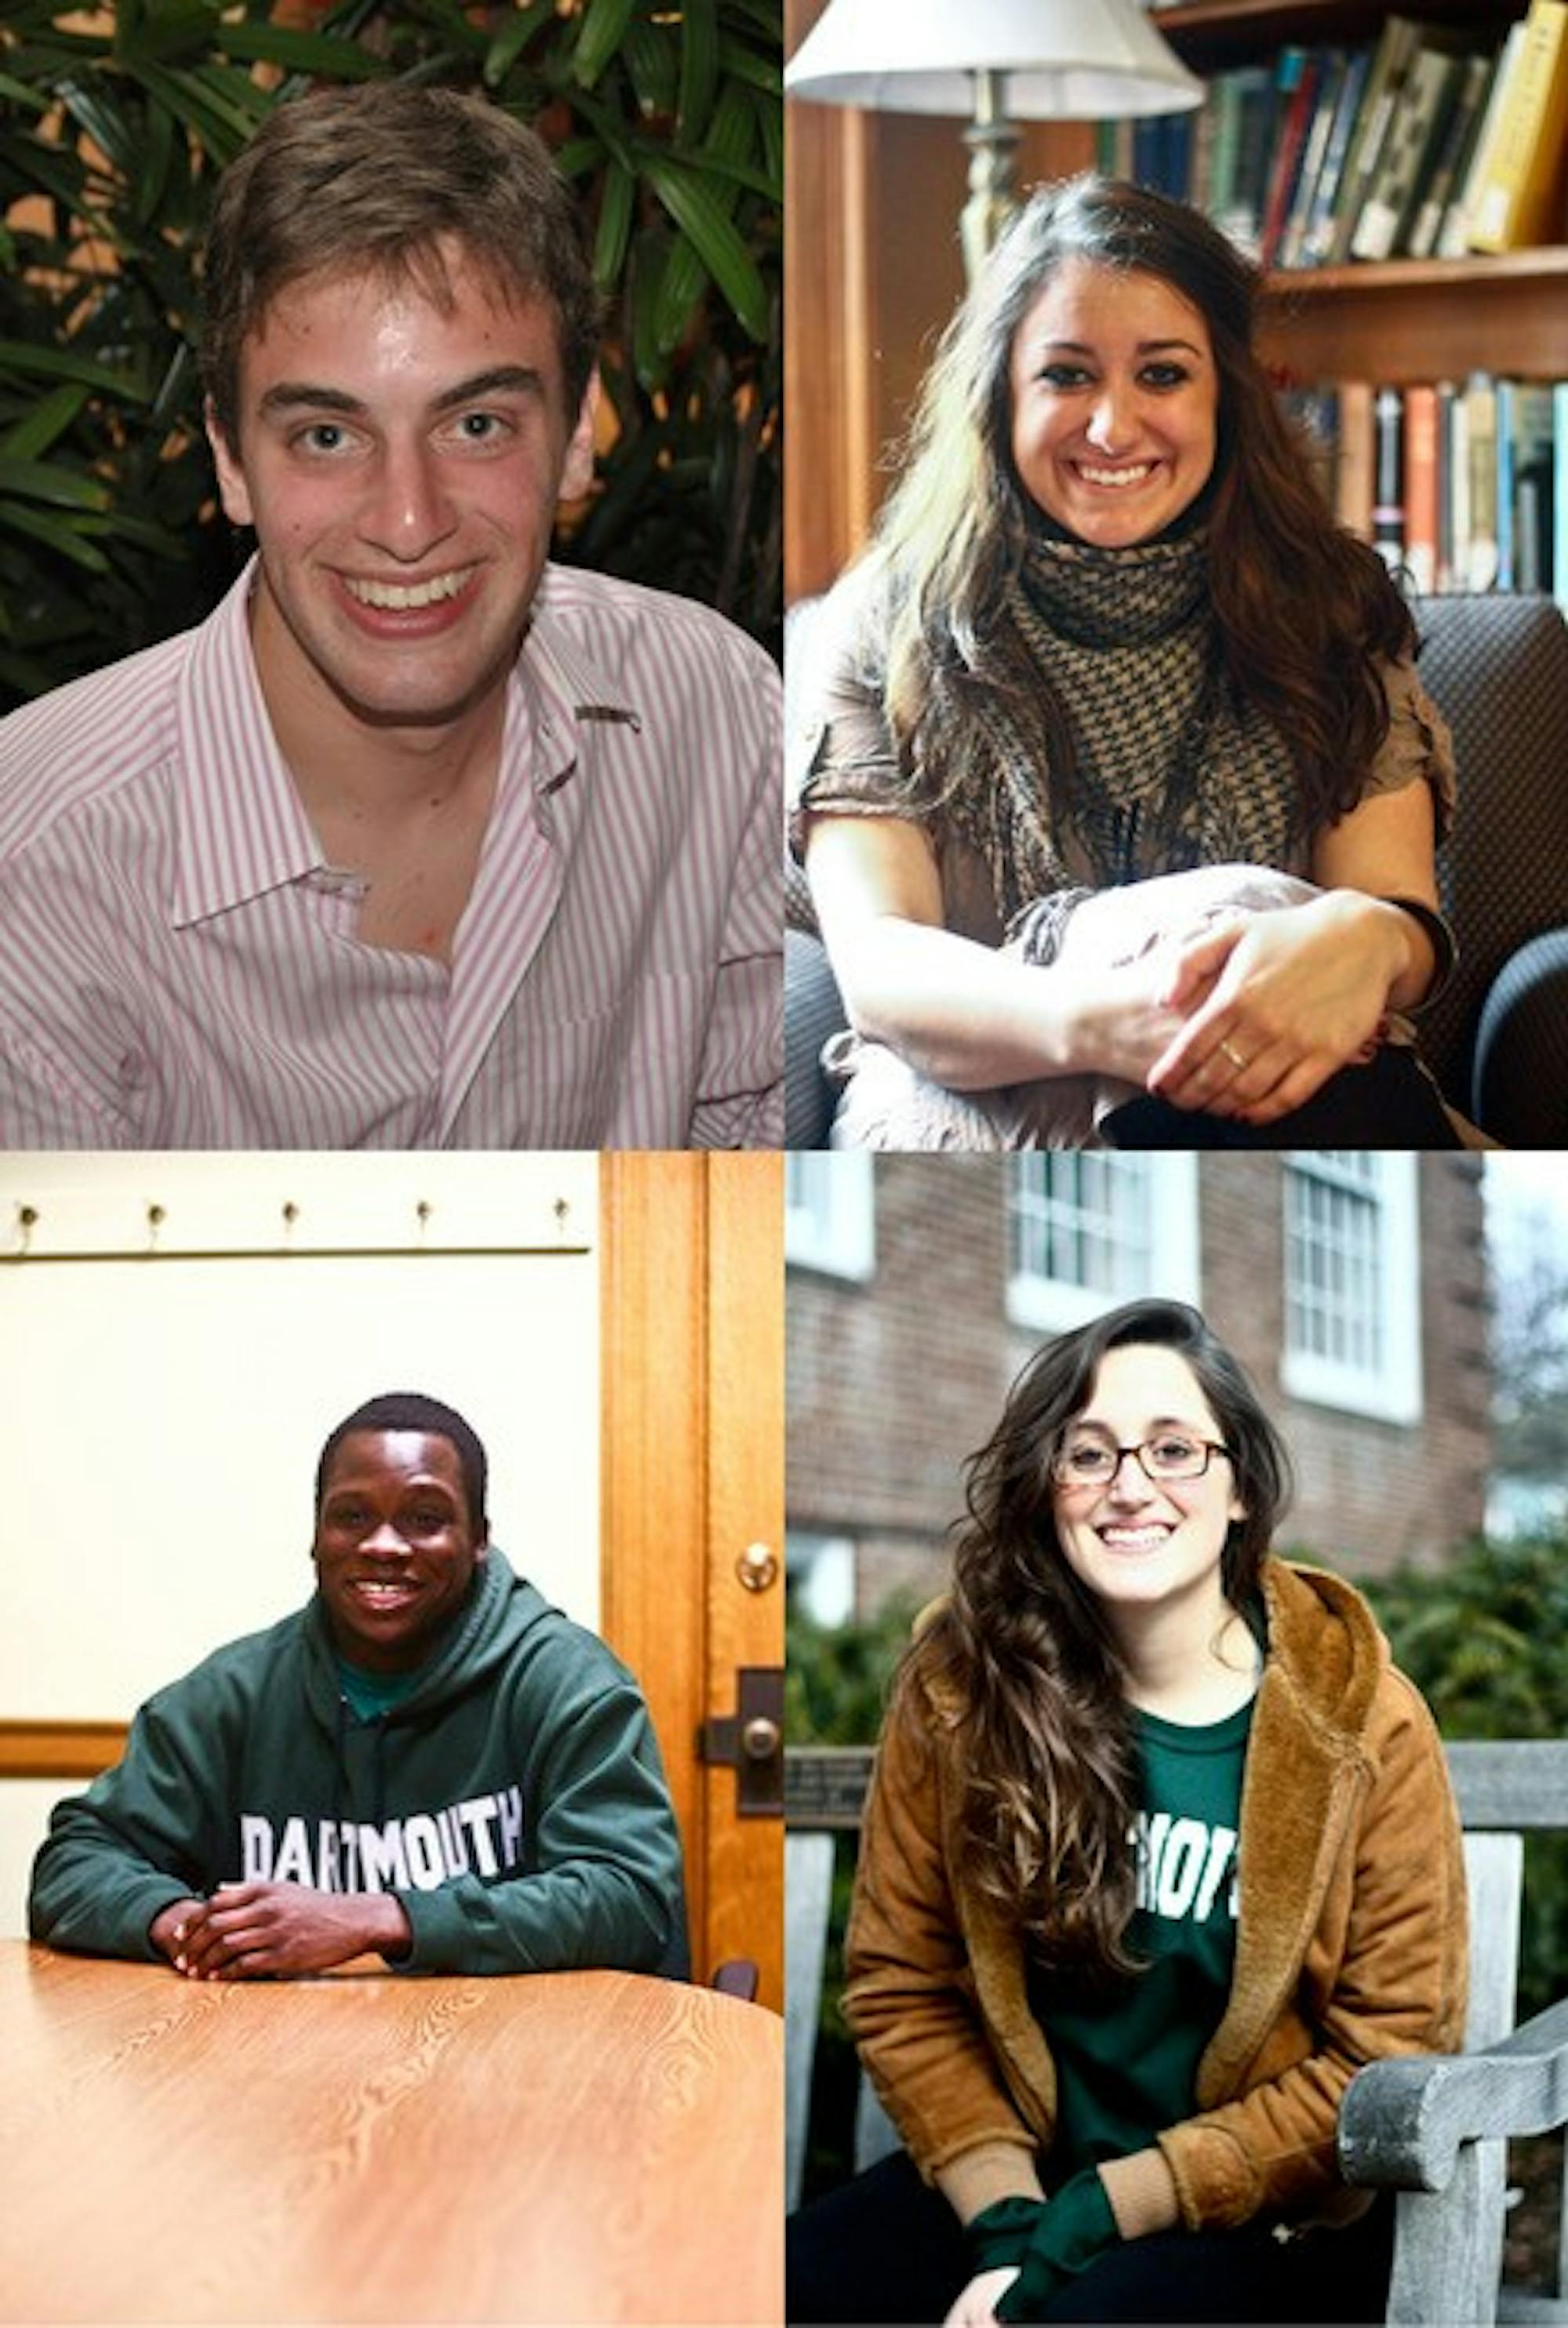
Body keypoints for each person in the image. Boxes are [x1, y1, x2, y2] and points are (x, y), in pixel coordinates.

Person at [0, 83, 780, 1149]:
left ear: (579, 433)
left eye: (475, 423)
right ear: (231, 459)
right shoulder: (37, 867)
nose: (408, 522)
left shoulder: (717, 716)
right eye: (327, 435)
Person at [787, 1299, 1466, 2325]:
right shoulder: (966, 1689)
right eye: (1089, 1455)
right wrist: (1013, 2223)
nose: (1130, 1487)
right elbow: (902, 1982)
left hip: (1257, 2219)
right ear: (1047, 1489)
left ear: (1242, 1487)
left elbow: (1386, 2052)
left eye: (1174, 1450)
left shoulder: (1361, 1720)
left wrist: (1108, 2209)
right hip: (1014, 2185)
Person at [789, 176, 1462, 1148]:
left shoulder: (1329, 608)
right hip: (975, 1091)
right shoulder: (885, 621)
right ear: (998, 395)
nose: (1110, 427)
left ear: (1225, 392)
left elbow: (1392, 914)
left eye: (1160, 375)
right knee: (1219, 913)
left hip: (1286, 1085)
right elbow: (883, 966)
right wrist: (1109, 1019)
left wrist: (1361, 939)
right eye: (1066, 375)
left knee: (1258, 919)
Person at [29, 1392, 687, 1979]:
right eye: (351, 1517)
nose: (383, 1545)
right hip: (283, 2073)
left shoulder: (567, 1684)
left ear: (479, 1539)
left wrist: (380, 1919)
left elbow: (629, 1897)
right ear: (315, 1537)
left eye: (425, 1518)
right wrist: (187, 1926)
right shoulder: (234, 1693)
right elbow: (74, 1862)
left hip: (519, 2072)